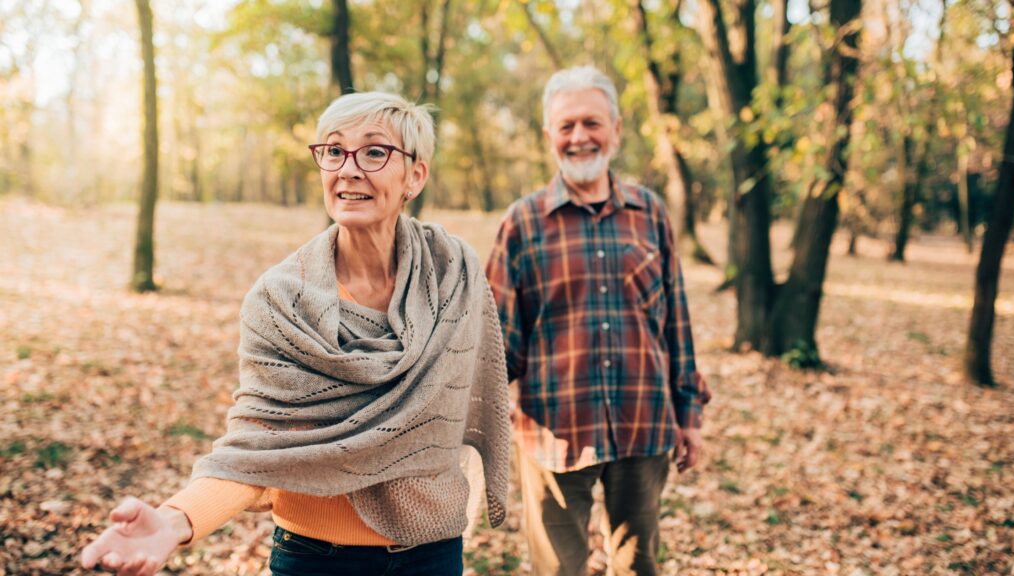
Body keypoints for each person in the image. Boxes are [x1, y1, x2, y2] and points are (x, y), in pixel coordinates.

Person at [81, 91, 510, 576]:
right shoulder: (279, 301)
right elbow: (259, 443)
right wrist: (176, 520)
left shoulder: (454, 273)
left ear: (415, 175)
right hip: (316, 558)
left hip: (434, 553)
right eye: (333, 150)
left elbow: (461, 409)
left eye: (374, 151)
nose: (348, 169)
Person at [485, 66, 711, 576]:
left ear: (616, 129)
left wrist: (689, 414)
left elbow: (676, 324)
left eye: (591, 123)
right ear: (549, 136)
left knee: (638, 566)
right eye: (566, 126)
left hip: (644, 425)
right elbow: (496, 346)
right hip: (552, 434)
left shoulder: (650, 212)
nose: (579, 137)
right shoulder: (522, 223)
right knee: (558, 571)